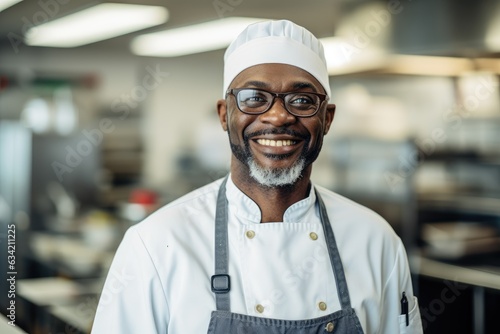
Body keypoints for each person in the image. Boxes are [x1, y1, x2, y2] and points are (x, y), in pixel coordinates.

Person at [91, 20, 423, 333]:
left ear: (328, 118)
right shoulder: (155, 245)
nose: (278, 116)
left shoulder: (376, 242)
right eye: (254, 98)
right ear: (225, 114)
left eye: (302, 100)